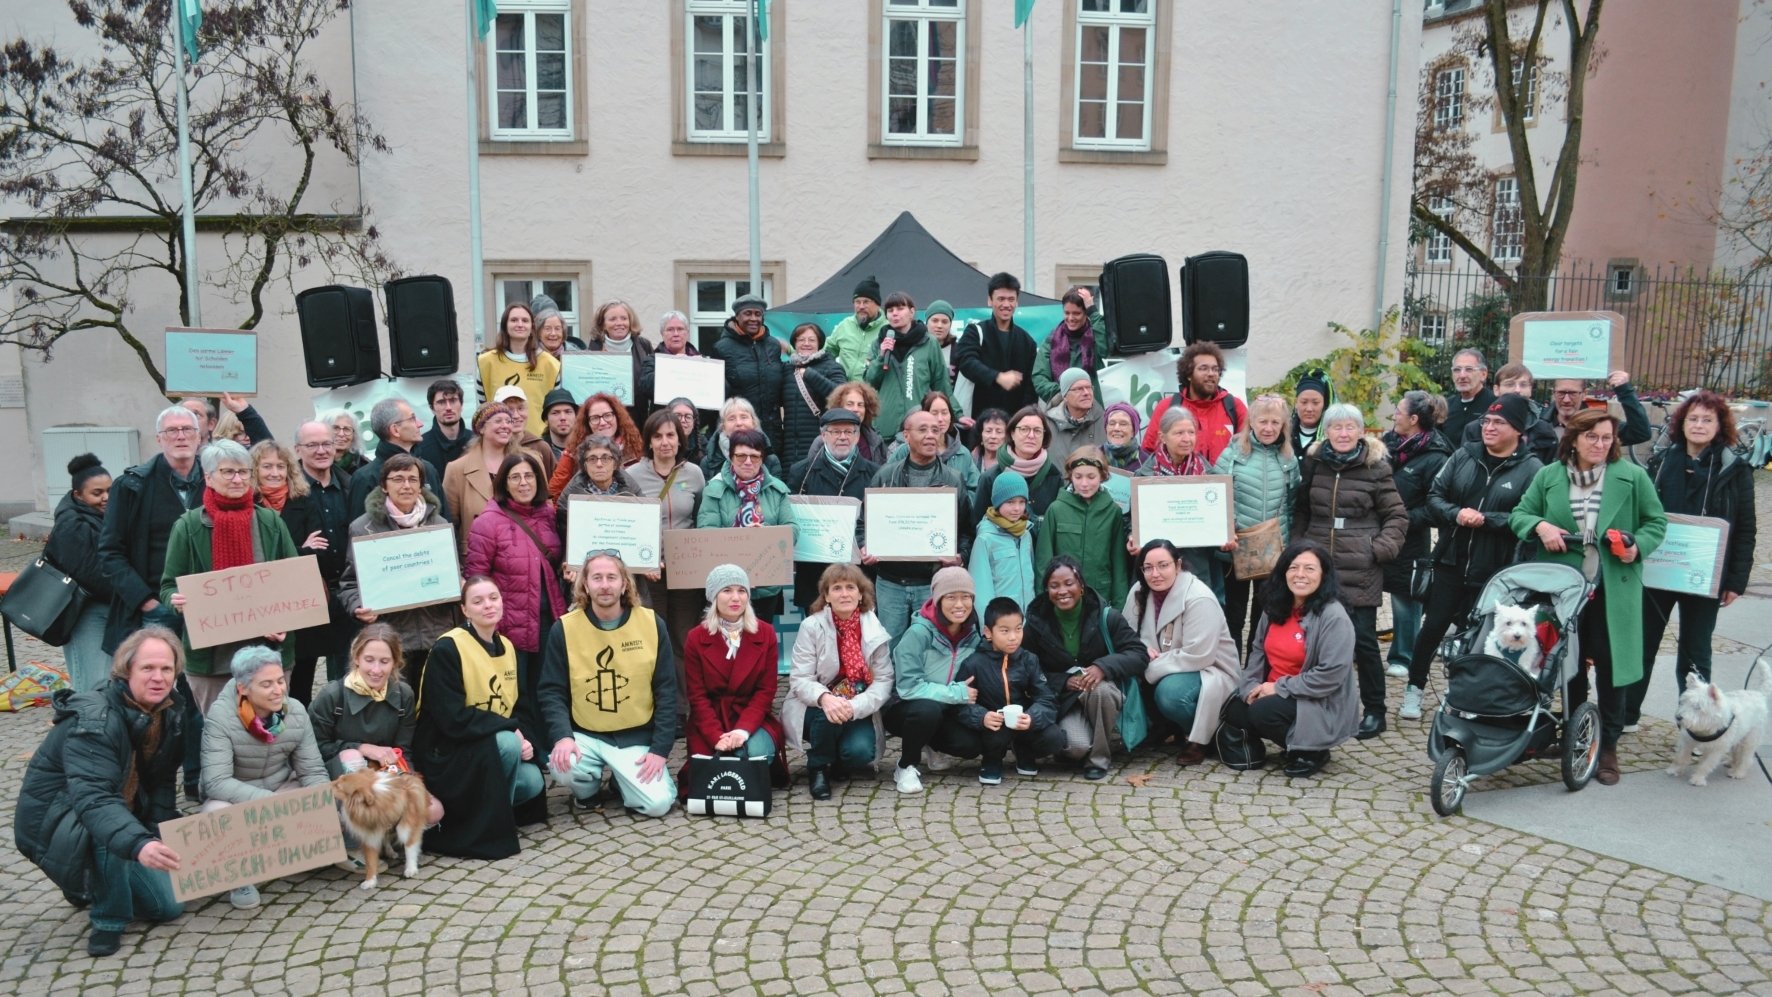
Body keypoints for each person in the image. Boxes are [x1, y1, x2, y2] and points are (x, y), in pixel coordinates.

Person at [1511, 408, 1667, 785]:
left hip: (1614, 590)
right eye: (1592, 437)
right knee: (1570, 666)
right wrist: (1541, 525)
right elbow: (1519, 515)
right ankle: (1577, 733)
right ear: (1575, 438)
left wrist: (1636, 547)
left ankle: (1608, 744)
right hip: (1563, 591)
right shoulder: (1549, 476)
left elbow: (1656, 522)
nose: (1600, 444)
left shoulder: (1632, 476)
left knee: (1613, 670)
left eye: (1607, 438)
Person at [14, 628, 188, 955]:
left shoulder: (171, 710)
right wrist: (138, 843)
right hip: (59, 819)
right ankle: (108, 918)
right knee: (109, 828)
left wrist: (160, 833)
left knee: (168, 908)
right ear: (125, 672)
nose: (158, 677)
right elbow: (94, 799)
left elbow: (163, 780)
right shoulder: (96, 719)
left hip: (117, 813)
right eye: (147, 668)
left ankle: (94, 881)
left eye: (166, 669)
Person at [1398, 394, 1544, 721]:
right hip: (1451, 560)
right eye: (1487, 421)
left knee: (1476, 635)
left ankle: (1462, 696)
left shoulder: (1532, 468)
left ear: (1518, 430)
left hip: (1494, 569)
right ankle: (1414, 688)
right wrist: (1456, 513)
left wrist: (1487, 519)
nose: (1489, 427)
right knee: (1433, 627)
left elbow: (1530, 517)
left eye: (1499, 423)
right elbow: (1435, 496)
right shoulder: (1464, 455)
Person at [1627, 391, 1757, 728]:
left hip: (1705, 575)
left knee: (1695, 652)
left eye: (1707, 420)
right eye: (1693, 419)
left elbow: (1745, 528)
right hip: (1659, 569)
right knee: (1642, 645)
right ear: (1681, 424)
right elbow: (1640, 514)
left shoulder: (1734, 469)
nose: (1699, 425)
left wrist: (1736, 580)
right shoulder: (1660, 463)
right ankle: (1627, 715)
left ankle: (1700, 722)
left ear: (1720, 426)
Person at [1292, 403, 1408, 739]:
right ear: (1325, 431)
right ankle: (1316, 702)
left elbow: (1398, 516)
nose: (1343, 434)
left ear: (1361, 431)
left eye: (1350, 427)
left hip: (1360, 566)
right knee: (1311, 637)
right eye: (1336, 427)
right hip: (1318, 564)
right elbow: (1301, 510)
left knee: (1363, 642)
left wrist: (1378, 549)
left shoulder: (1376, 467)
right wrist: (1298, 549)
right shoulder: (1315, 463)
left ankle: (1375, 709)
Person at [160, 440, 300, 713]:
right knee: (221, 734)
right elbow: (167, 586)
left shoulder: (270, 522)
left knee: (269, 731)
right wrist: (174, 600)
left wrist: (285, 620)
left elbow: (295, 582)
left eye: (244, 472)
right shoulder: (188, 527)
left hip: (268, 656)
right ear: (209, 478)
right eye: (228, 472)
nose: (238, 479)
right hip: (213, 661)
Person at [413, 577, 547, 857]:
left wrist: (526, 738)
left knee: (533, 780)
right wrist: (511, 730)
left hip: (487, 743)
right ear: (465, 610)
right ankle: (487, 824)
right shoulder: (448, 648)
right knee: (508, 743)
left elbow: (519, 707)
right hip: (449, 748)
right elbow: (451, 717)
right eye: (478, 601)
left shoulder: (508, 647)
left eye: (493, 598)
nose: (488, 605)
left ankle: (490, 814)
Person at [541, 551, 678, 817]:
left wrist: (659, 751)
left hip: (635, 736)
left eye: (612, 577)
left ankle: (620, 779)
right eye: (597, 578)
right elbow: (551, 691)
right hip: (587, 734)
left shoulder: (651, 623)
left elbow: (666, 691)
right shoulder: (565, 629)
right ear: (585, 585)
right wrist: (563, 736)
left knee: (658, 804)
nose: (605, 585)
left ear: (625, 583)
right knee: (563, 764)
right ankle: (588, 793)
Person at [198, 646, 328, 910]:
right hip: (234, 794)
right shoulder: (220, 717)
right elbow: (216, 781)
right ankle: (239, 878)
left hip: (278, 785)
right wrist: (267, 802)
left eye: (280, 681)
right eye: (266, 684)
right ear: (243, 688)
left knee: (319, 797)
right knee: (216, 813)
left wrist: (321, 810)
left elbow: (312, 770)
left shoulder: (297, 712)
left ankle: (305, 850)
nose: (278, 690)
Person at [1221, 541, 1360, 777]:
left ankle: (1312, 751)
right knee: (1234, 708)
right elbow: (1257, 652)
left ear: (1324, 575)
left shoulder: (1334, 616)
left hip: (1316, 699)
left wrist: (1277, 687)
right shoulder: (1275, 606)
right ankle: (1275, 745)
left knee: (1263, 711)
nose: (1300, 575)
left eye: (1310, 569)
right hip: (1274, 690)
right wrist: (1251, 686)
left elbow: (1329, 675)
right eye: (1293, 567)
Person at [338, 455, 458, 690]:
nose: (406, 486)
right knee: (398, 704)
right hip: (390, 637)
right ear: (384, 485)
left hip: (436, 632)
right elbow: (350, 583)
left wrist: (459, 583)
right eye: (398, 479)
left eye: (413, 479)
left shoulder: (439, 525)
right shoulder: (363, 528)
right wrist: (357, 606)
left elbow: (453, 572)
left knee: (436, 705)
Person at [1021, 555, 1146, 780]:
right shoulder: (1036, 622)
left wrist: (1102, 667)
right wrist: (1061, 681)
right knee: (1075, 747)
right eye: (1054, 586)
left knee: (1102, 691)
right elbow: (1026, 669)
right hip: (1065, 699)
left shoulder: (1106, 616)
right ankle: (1083, 744)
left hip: (1099, 691)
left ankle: (1098, 759)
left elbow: (1138, 655)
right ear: (1046, 590)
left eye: (1069, 583)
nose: (1062, 591)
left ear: (1081, 585)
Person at [1122, 539, 1241, 766]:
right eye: (1148, 567)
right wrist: (1141, 651)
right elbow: (1127, 636)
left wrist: (1147, 665)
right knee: (1127, 674)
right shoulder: (1138, 590)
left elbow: (1199, 655)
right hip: (1166, 664)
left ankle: (1205, 736)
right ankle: (1167, 725)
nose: (1155, 573)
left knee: (1170, 694)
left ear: (1178, 565)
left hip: (1209, 670)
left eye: (1163, 565)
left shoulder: (1199, 597)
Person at [97, 405, 204, 656]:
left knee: (204, 692)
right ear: (159, 439)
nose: (180, 436)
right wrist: (147, 603)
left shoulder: (218, 481)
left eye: (187, 429)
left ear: (199, 436)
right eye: (171, 431)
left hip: (208, 610)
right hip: (157, 610)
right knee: (156, 686)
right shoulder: (132, 486)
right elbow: (110, 552)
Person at [465, 451, 565, 714]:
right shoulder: (488, 522)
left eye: (529, 476)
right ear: (504, 483)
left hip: (548, 619)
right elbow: (477, 577)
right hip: (509, 624)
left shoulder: (548, 514)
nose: (523, 483)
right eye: (515, 477)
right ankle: (525, 747)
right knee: (517, 693)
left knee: (548, 687)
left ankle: (550, 747)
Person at [785, 564, 895, 800]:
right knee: (828, 715)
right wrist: (826, 699)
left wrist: (854, 706)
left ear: (860, 593)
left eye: (850, 587)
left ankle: (836, 759)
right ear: (826, 595)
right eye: (836, 588)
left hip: (857, 703)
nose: (844, 594)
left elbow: (884, 680)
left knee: (859, 753)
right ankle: (818, 768)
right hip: (814, 705)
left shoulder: (874, 628)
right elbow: (800, 678)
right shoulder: (811, 626)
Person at [679, 565, 788, 798]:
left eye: (741, 590)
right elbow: (697, 697)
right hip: (710, 718)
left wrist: (742, 731)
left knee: (751, 753)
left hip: (750, 716)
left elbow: (765, 691)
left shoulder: (765, 633)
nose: (736, 598)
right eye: (727, 590)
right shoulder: (696, 637)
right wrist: (716, 736)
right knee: (709, 764)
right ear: (713, 596)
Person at [866, 411, 971, 644]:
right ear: (906, 435)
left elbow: (966, 529)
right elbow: (864, 523)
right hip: (890, 583)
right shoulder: (885, 477)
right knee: (889, 648)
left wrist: (960, 556)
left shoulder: (954, 479)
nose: (931, 436)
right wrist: (865, 546)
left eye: (935, 430)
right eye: (922, 430)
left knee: (930, 647)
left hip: (931, 582)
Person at [882, 566, 986, 793]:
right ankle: (906, 765)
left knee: (970, 746)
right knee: (926, 711)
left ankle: (927, 740)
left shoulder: (972, 633)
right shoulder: (918, 633)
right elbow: (908, 688)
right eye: (951, 597)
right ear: (937, 600)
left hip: (944, 709)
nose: (960, 605)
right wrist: (956, 693)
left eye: (966, 597)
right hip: (903, 707)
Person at [1210, 394, 1301, 652]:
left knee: (1265, 616)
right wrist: (1229, 528)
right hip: (1235, 549)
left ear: (1283, 425)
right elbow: (1216, 499)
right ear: (1251, 422)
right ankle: (1231, 672)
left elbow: (1292, 505)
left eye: (1275, 422)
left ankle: (1256, 670)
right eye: (1263, 421)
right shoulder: (1232, 455)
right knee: (1233, 616)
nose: (1268, 428)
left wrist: (1287, 545)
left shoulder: (1288, 460)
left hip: (1272, 551)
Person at [1379, 390, 1454, 684]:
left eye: (1398, 411)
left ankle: (1404, 656)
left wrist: (1402, 520)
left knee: (1406, 598)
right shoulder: (1387, 444)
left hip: (1410, 538)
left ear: (1413, 419)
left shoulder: (1437, 456)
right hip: (1380, 532)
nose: (1394, 416)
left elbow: (1437, 506)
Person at [953, 597, 1068, 785]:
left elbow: (1047, 698)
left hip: (1022, 723)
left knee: (1054, 737)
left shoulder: (1029, 660)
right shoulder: (974, 663)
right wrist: (982, 717)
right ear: (988, 632)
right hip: (992, 727)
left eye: (1018, 629)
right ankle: (991, 760)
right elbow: (959, 705)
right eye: (1005, 631)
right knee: (995, 730)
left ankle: (1024, 751)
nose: (1013, 637)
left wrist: (1032, 718)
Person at [627, 410, 708, 676]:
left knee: (684, 639)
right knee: (654, 638)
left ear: (680, 438)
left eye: (671, 435)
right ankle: (658, 706)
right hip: (650, 572)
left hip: (685, 573)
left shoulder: (694, 474)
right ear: (648, 441)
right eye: (658, 436)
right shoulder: (631, 476)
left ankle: (683, 710)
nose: (665, 442)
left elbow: (700, 520)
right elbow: (627, 525)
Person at [281, 421, 355, 707]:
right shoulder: (286, 491)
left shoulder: (351, 484)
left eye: (327, 443)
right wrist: (301, 550)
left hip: (346, 592)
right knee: (301, 677)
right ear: (298, 450)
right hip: (305, 597)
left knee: (346, 676)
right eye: (312, 445)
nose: (322, 450)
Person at [786, 407, 880, 614]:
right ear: (823, 435)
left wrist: (871, 547)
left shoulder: (875, 474)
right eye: (836, 432)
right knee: (817, 640)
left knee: (857, 642)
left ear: (857, 437)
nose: (842, 437)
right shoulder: (801, 472)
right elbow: (792, 520)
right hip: (814, 576)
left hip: (858, 576)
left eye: (849, 432)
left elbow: (879, 522)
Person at [697, 428, 796, 619]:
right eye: (741, 456)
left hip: (766, 584)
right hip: (726, 586)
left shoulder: (777, 490)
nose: (748, 462)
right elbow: (706, 532)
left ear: (762, 458)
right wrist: (741, 538)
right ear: (731, 457)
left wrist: (765, 535)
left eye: (755, 456)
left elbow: (793, 529)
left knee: (760, 640)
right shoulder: (714, 489)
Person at [45, 454, 115, 692]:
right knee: (92, 685)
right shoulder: (71, 524)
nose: (106, 497)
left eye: (109, 490)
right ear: (78, 495)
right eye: (97, 493)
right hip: (86, 613)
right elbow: (92, 575)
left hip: (108, 609)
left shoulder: (104, 516)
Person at [1136, 407, 1222, 593]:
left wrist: (1226, 534)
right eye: (1179, 433)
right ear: (1162, 436)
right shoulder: (1144, 475)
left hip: (1197, 561)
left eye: (1191, 432)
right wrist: (1132, 535)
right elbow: (1131, 518)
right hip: (1158, 564)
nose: (1186, 439)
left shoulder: (1209, 475)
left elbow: (1220, 515)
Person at [1035, 447, 1130, 610]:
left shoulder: (1113, 512)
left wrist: (1120, 607)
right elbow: (1043, 562)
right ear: (1070, 476)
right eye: (1078, 477)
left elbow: (1119, 566)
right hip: (1063, 600)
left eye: (1091, 477)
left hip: (1100, 598)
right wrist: (1044, 603)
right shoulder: (1056, 510)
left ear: (1102, 476)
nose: (1084, 483)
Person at [1141, 342, 1247, 466]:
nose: (1211, 373)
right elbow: (1148, 451)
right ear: (1189, 374)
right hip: (1179, 483)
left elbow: (1249, 451)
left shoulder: (1234, 406)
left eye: (1215, 369)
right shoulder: (1167, 406)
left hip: (1225, 483)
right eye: (1203, 368)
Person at [346, 398, 447, 527]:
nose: (420, 424)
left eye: (413, 479)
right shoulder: (365, 478)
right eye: (412, 419)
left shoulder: (429, 469)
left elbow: (444, 523)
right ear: (395, 430)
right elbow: (361, 534)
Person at [866, 291, 952, 440]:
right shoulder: (879, 343)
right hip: (886, 427)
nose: (895, 314)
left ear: (912, 312)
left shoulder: (929, 342)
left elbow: (941, 384)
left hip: (920, 426)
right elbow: (869, 383)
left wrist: (956, 414)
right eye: (890, 310)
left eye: (900, 309)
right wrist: (881, 357)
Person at [953, 272, 1037, 419]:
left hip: (1013, 424)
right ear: (990, 300)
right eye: (1001, 299)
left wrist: (1023, 419)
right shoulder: (975, 332)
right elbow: (966, 362)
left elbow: (1030, 388)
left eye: (1011, 299)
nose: (1006, 304)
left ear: (1017, 302)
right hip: (978, 422)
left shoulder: (1027, 341)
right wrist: (997, 377)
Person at [709, 294, 786, 453]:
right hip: (740, 432)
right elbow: (716, 394)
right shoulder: (722, 348)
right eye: (748, 313)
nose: (753, 318)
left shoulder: (772, 346)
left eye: (758, 314)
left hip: (773, 431)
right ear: (737, 316)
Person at [443, 403, 521, 556]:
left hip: (519, 555)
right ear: (482, 428)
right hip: (478, 556)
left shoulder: (525, 463)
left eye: (508, 421)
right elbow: (449, 523)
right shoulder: (457, 469)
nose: (505, 426)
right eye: (498, 421)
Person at [475, 302, 562, 438]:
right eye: (514, 320)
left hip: (537, 441)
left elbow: (555, 411)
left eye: (525, 320)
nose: (520, 324)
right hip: (499, 441)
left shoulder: (550, 364)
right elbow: (482, 408)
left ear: (532, 327)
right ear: (505, 325)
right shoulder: (486, 362)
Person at [973, 405, 1062, 525]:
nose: (1031, 436)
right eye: (1024, 429)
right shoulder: (991, 477)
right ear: (1012, 433)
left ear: (1044, 436)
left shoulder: (1053, 476)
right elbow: (976, 525)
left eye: (1037, 430)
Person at [548, 391, 644, 498]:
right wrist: (568, 512)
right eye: (595, 418)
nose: (602, 422)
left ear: (617, 417)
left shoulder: (634, 448)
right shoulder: (574, 452)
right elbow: (554, 492)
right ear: (587, 423)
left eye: (608, 415)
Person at [1459, 363, 1557, 463]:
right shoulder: (1474, 429)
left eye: (1523, 385)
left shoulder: (1545, 431)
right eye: (1510, 384)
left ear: (1531, 390)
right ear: (1496, 390)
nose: (1517, 390)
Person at [969, 472, 1036, 613]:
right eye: (1010, 502)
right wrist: (988, 628)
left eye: (1021, 502)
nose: (1017, 508)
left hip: (1026, 620)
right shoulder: (985, 539)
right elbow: (980, 591)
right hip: (1001, 621)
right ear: (998, 503)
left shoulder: (1026, 534)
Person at [783, 321, 848, 464]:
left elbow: (841, 396)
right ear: (795, 343)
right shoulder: (787, 369)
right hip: (790, 447)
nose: (806, 343)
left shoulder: (832, 366)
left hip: (821, 442)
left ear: (820, 343)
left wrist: (810, 375)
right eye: (801, 340)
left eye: (812, 340)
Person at [1033, 288, 1110, 405]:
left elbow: (1105, 349)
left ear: (1086, 313)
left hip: (1095, 409)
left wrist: (1093, 311)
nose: (1070, 318)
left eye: (1076, 313)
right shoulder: (1052, 340)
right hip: (1061, 409)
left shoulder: (1096, 335)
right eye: (1067, 313)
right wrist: (1064, 394)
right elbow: (1039, 376)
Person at [583, 300, 655, 422]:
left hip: (637, 419)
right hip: (602, 420)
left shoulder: (644, 346)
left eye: (624, 318)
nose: (619, 323)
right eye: (612, 319)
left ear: (630, 321)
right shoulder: (592, 350)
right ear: (603, 324)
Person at [1546, 371, 1653, 450]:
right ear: (1553, 393)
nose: (1566, 400)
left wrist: (1625, 391)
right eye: (1561, 393)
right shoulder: (1537, 424)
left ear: (1584, 394)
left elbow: (1641, 433)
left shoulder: (1599, 423)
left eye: (1573, 393)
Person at [699, 396, 785, 481]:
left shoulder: (770, 460)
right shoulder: (708, 463)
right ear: (723, 427)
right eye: (731, 418)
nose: (739, 423)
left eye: (744, 417)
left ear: (754, 423)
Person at [1045, 368, 1107, 469]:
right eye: (1079, 389)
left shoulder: (1107, 423)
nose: (1086, 392)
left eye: (1089, 387)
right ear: (1065, 396)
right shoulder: (1046, 425)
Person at [827, 277, 886, 381]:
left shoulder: (887, 329)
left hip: (872, 394)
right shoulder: (845, 325)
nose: (861, 306)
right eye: (857, 302)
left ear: (877, 304)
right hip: (845, 392)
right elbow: (825, 352)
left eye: (866, 302)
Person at [493, 386, 558, 481]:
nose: (516, 415)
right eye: (509, 409)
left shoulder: (541, 447)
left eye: (521, 408)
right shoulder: (490, 448)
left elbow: (553, 487)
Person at [825, 381, 893, 466]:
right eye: (850, 404)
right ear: (839, 407)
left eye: (860, 405)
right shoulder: (824, 440)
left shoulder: (875, 440)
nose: (856, 409)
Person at [414, 379, 475, 474]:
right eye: (441, 402)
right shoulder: (420, 448)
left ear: (461, 404)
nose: (448, 408)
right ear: (432, 408)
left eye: (453, 401)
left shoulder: (476, 441)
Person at [1441, 348, 1494, 442]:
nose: (1462, 376)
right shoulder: (1446, 406)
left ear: (1483, 374)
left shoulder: (1494, 405)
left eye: (1469, 369)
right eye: (1457, 370)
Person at [1289, 369, 1330, 457]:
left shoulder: (1331, 438)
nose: (1309, 409)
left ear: (1324, 404)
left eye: (1315, 403)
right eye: (1304, 402)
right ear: (1296, 403)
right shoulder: (1284, 434)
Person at [1101, 402, 1145, 472]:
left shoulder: (1147, 463)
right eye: (1112, 423)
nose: (1116, 428)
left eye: (1123, 424)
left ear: (1133, 430)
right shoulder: (1092, 458)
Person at [541, 388, 577, 460]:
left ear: (576, 416)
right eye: (555, 413)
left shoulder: (588, 450)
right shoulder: (538, 452)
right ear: (546, 419)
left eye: (568, 412)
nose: (563, 418)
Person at [326, 410, 364, 478]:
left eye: (347, 429)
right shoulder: (314, 467)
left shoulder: (364, 465)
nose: (341, 434)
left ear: (354, 435)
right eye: (335, 428)